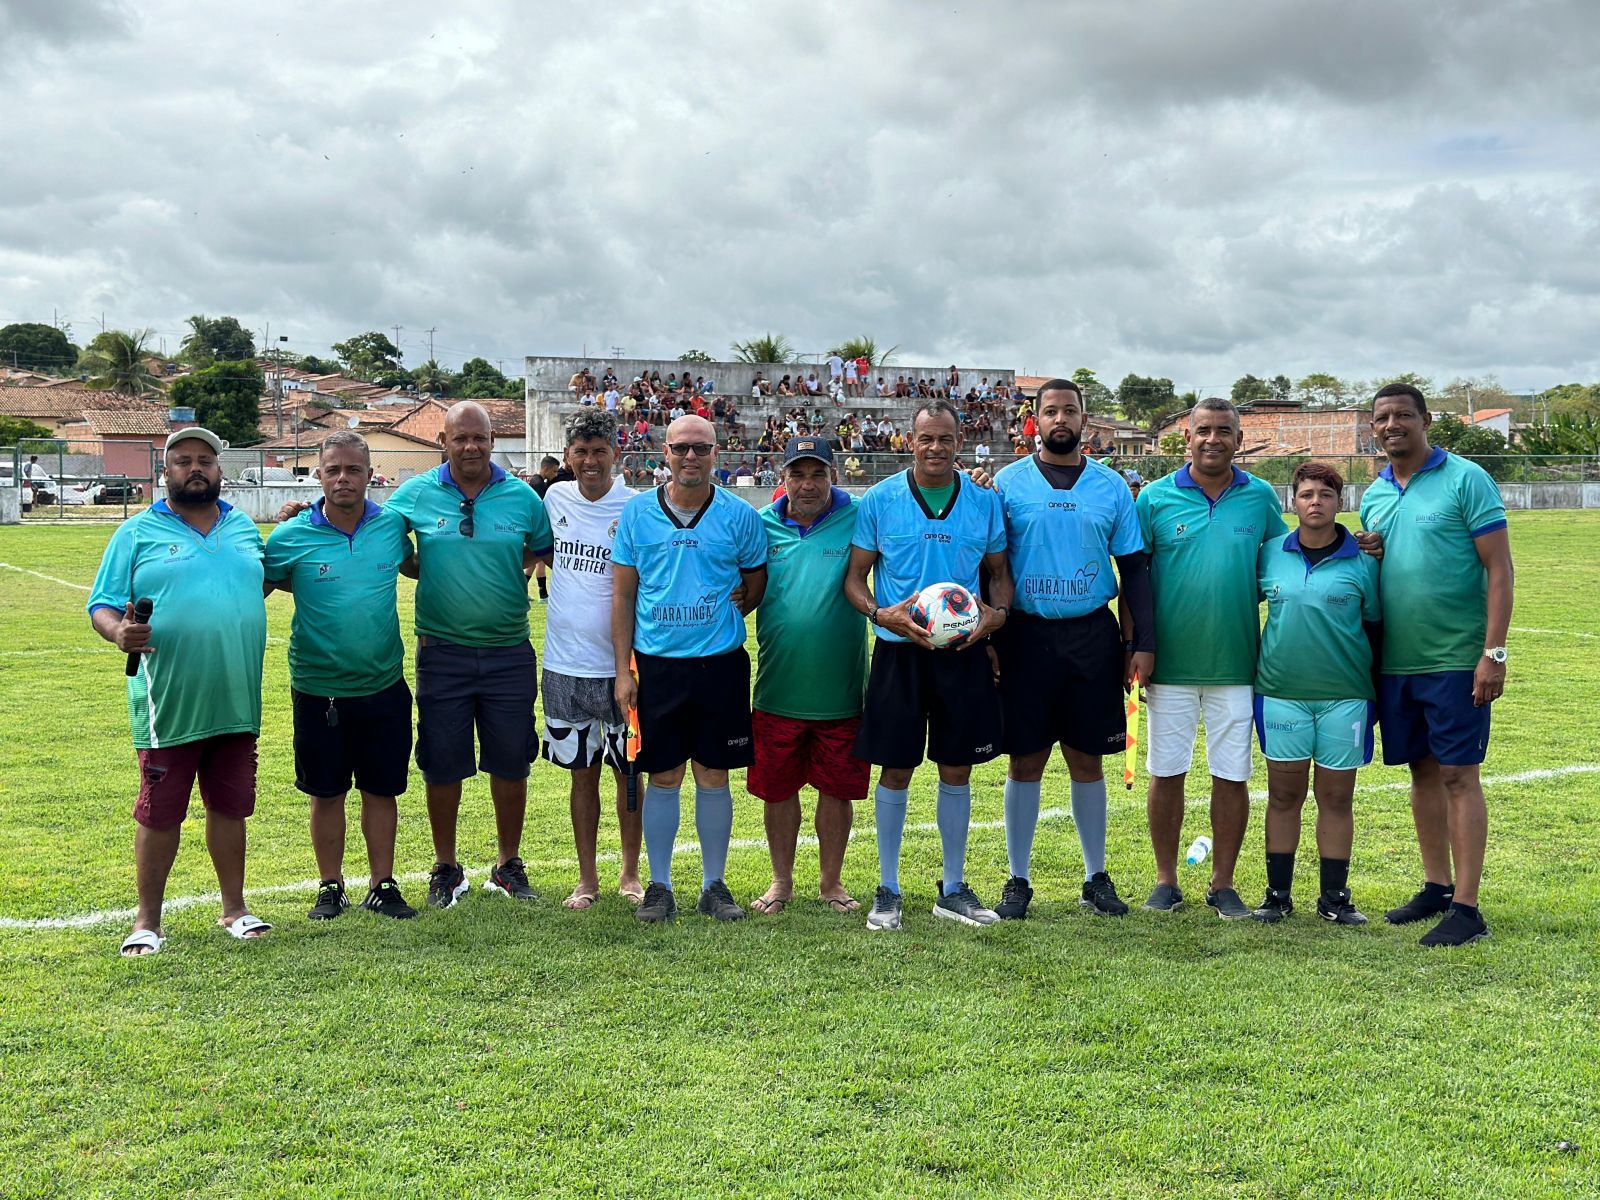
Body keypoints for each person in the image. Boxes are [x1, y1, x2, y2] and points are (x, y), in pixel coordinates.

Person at [88, 428, 269, 955]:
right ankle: (148, 920)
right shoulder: (136, 532)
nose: (196, 468)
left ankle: (234, 908)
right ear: (164, 472)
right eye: (183, 461)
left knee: (231, 807)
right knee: (160, 811)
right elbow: (102, 602)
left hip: (236, 699)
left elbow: (258, 582)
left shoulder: (242, 528)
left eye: (205, 460)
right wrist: (118, 631)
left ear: (220, 470)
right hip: (167, 703)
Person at [844, 400, 1013, 930]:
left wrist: (997, 616)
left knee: (956, 767)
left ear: (959, 442)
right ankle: (888, 888)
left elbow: (1000, 573)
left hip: (960, 654)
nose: (935, 448)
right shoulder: (880, 499)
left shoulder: (984, 501)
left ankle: (954, 887)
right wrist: (880, 613)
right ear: (909, 441)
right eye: (925, 439)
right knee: (895, 768)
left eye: (945, 439)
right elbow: (853, 579)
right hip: (900, 651)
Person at [989, 380, 1153, 921]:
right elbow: (990, 566)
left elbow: (1133, 571)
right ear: (1033, 420)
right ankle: (1018, 878)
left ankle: (1095, 876)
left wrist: (1140, 642)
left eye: (1071, 410)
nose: (1061, 418)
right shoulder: (1006, 484)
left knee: (1087, 759)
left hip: (1090, 635)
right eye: (1050, 410)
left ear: (1086, 420)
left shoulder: (1111, 487)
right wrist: (988, 637)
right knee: (1025, 759)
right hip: (1025, 636)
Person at [1360, 382, 1513, 947]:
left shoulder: (1467, 479)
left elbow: (1499, 570)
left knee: (1457, 773)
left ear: (1426, 421)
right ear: (1372, 427)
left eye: (1403, 415)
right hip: (1396, 662)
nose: (1391, 425)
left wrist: (1492, 653)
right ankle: (1436, 887)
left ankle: (1468, 908)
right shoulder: (1375, 493)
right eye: (1382, 418)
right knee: (1421, 770)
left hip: (1455, 658)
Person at [385, 401, 554, 908]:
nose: (471, 447)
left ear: (493, 441)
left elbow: (539, 549)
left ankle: (507, 864)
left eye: (479, 438)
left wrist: (504, 568)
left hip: (508, 652)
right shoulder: (414, 493)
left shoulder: (523, 497)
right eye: (460, 438)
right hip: (442, 652)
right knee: (442, 763)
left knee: (511, 762)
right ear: (443, 441)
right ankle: (446, 867)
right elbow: (387, 543)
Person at [1135, 397, 1288, 919]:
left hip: (1238, 663)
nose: (1213, 439)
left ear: (1239, 438)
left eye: (1224, 430)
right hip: (1169, 665)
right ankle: (1165, 880)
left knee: (1232, 774)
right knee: (1166, 770)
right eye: (1203, 430)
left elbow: (1285, 567)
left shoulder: (1261, 498)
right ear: (1187, 437)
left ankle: (1223, 883)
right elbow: (1135, 583)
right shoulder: (1154, 499)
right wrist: (1137, 648)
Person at [611, 414, 768, 922]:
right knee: (664, 774)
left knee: (713, 772)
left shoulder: (740, 516)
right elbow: (623, 593)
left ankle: (713, 884)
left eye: (701, 449)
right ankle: (659, 884)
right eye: (681, 448)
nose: (691, 457)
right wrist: (621, 670)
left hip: (719, 664)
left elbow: (755, 580)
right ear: (665, 451)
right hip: (658, 666)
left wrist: (729, 612)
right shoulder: (637, 514)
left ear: (717, 453)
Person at [264, 431, 418, 920]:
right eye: (333, 470)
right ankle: (330, 886)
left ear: (371, 475)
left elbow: (420, 565)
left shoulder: (392, 528)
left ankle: (382, 883)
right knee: (325, 792)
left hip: (383, 685)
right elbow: (254, 591)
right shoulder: (290, 536)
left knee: (382, 789)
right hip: (318, 689)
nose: (344, 478)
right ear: (319, 475)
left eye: (354, 469)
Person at [1249, 462, 1381, 927]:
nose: (1316, 503)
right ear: (1293, 502)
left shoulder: (1366, 560)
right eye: (1306, 495)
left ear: (1339, 502)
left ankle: (1334, 898)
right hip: (1281, 692)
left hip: (1346, 696)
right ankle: (1277, 896)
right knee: (1284, 797)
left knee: (1336, 798)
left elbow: (1378, 627)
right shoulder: (1269, 554)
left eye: (1326, 495)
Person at [749, 438, 871, 915]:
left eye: (817, 474)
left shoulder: (860, 514)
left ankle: (831, 882)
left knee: (837, 790)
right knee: (778, 790)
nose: (807, 484)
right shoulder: (761, 526)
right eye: (797, 475)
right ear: (782, 479)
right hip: (778, 689)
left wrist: (973, 481)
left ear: (833, 476)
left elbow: (910, 502)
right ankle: (781, 882)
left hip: (841, 691)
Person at [540, 409, 645, 909]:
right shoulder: (553, 498)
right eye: (580, 452)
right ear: (568, 457)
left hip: (620, 668)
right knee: (581, 774)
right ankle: (587, 878)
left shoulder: (638, 507)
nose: (589, 461)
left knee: (628, 772)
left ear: (616, 456)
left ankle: (629, 872)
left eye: (599, 451)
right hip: (564, 666)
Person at [529, 455, 562, 602]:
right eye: (554, 472)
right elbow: (542, 509)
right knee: (541, 559)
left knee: (533, 562)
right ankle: (543, 595)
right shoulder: (539, 484)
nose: (555, 475)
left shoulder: (537, 482)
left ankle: (525, 591)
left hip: (533, 528)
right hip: (537, 529)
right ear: (545, 468)